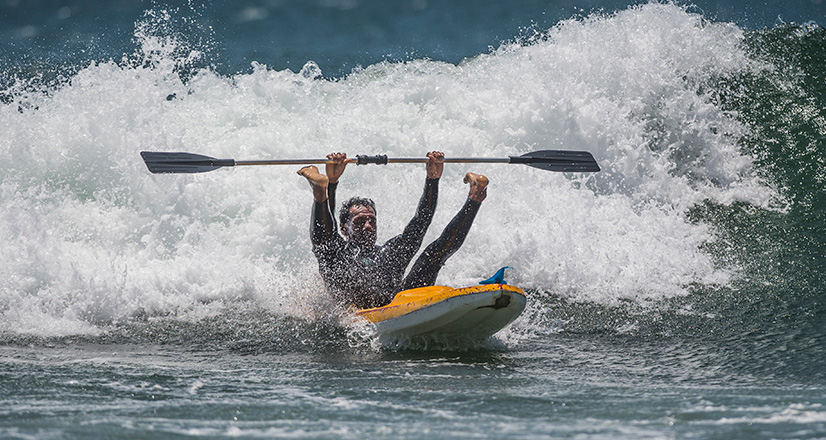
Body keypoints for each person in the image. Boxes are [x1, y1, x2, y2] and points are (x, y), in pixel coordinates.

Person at [298, 151, 488, 310]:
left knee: (432, 255)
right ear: (344, 229)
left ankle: (474, 197)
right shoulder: (340, 253)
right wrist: (330, 183)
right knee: (326, 247)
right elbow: (327, 231)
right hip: (360, 311)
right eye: (359, 221)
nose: (367, 226)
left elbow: (421, 221)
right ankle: (320, 193)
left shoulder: (390, 252)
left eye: (371, 220)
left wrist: (433, 180)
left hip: (398, 307)